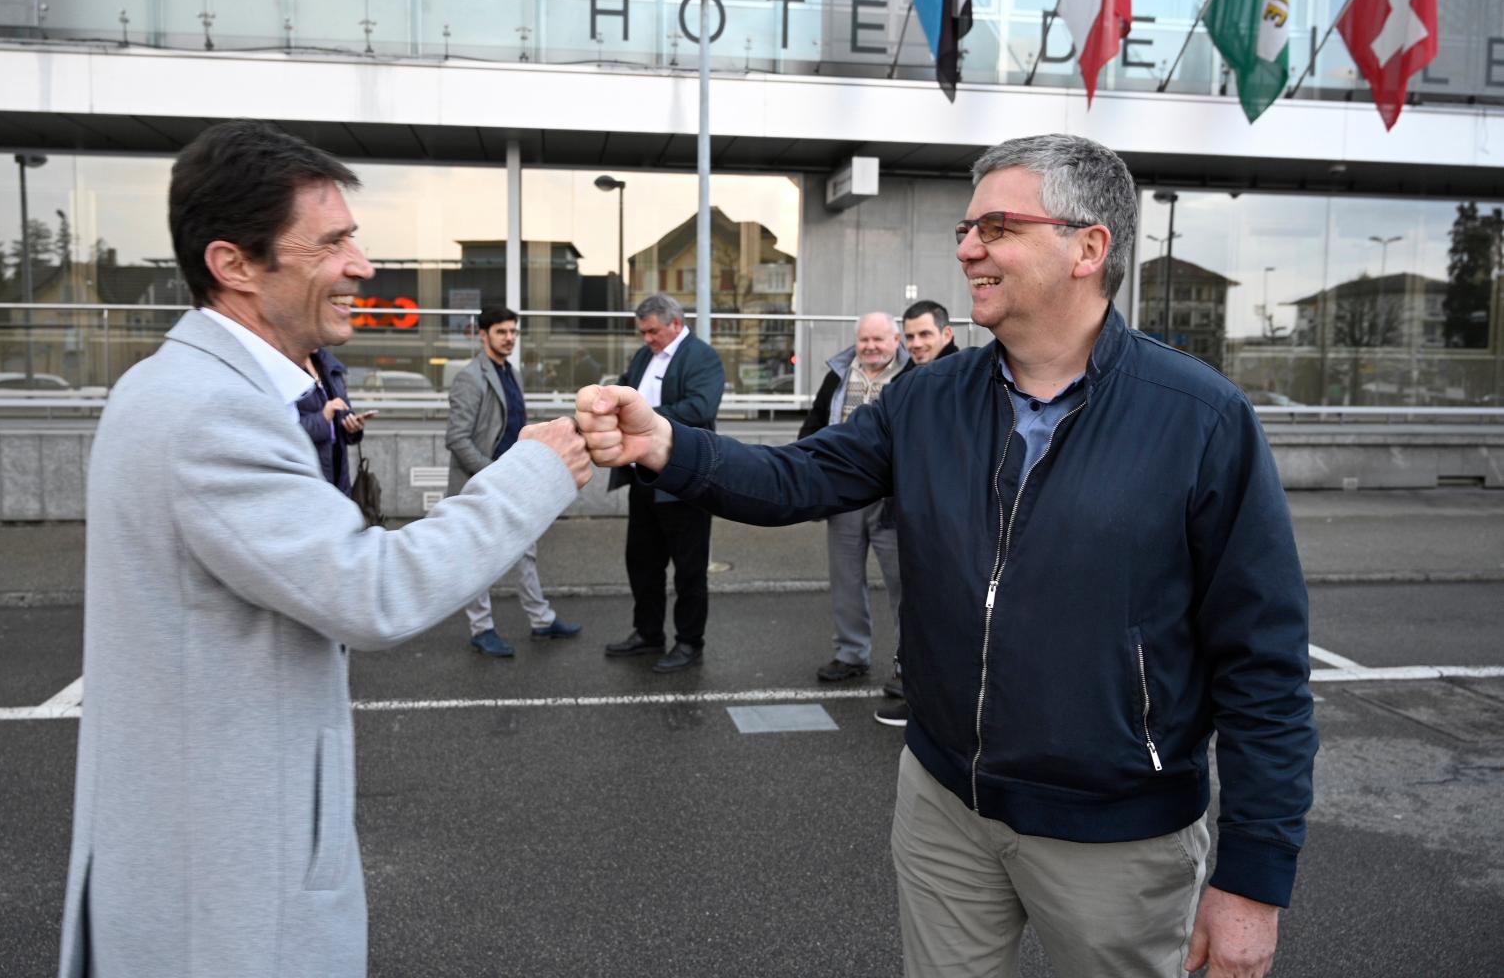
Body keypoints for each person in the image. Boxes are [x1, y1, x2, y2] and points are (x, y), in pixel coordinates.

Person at [577, 133, 1316, 978]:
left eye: (997, 226)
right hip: (944, 807)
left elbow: (1264, 664)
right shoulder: (926, 398)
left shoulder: (1200, 418)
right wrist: (669, 443)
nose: (968, 247)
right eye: (967, 228)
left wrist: (1254, 879)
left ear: (1089, 247)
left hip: (1119, 834)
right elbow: (798, 478)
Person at [57, 119, 592, 978]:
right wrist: (542, 466)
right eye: (334, 242)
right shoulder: (208, 411)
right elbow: (374, 590)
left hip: (202, 861)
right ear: (235, 265)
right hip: (225, 900)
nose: (363, 264)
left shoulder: (196, 387)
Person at [447, 304, 581, 656]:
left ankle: (541, 620)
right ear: (483, 334)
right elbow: (457, 437)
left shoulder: (512, 373)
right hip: (484, 480)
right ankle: (481, 628)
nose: (509, 339)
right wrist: (492, 472)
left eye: (513, 332)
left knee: (526, 552)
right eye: (501, 332)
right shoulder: (470, 378)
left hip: (514, 478)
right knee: (478, 556)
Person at [602, 292, 725, 673]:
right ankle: (648, 633)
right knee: (642, 562)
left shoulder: (701, 357)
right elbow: (624, 389)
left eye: (653, 331)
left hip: (684, 479)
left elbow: (700, 408)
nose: (648, 339)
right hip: (643, 476)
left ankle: (689, 642)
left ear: (675, 323)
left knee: (689, 568)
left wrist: (645, 417)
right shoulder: (645, 356)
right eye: (643, 332)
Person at [797, 312, 907, 687]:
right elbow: (813, 425)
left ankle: (908, 664)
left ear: (897, 341)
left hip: (894, 499)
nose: (871, 347)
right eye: (864, 340)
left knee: (904, 584)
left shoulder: (912, 377)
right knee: (845, 579)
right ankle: (851, 654)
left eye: (879, 340)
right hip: (843, 495)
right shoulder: (839, 376)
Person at [875, 299, 960, 726]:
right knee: (910, 603)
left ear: (947, 334)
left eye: (925, 334)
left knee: (937, 607)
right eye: (909, 337)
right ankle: (912, 682)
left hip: (946, 520)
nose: (916, 343)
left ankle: (924, 700)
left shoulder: (966, 379)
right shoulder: (906, 380)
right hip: (905, 511)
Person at [294, 347, 368, 495]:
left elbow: (344, 409)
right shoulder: (287, 369)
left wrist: (352, 425)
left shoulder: (328, 366)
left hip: (338, 468)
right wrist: (323, 417)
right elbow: (285, 431)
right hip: (308, 473)